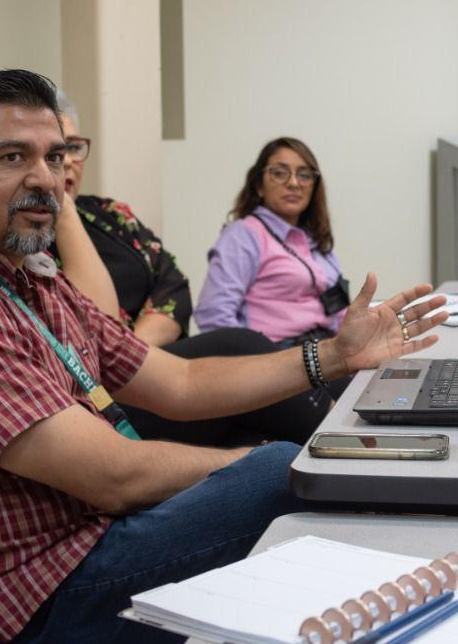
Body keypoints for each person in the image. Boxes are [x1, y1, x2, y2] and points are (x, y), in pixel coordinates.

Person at [0, 69, 445, 644]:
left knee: (275, 462)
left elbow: (180, 381)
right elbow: (115, 477)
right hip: (34, 606)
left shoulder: (29, 277)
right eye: (13, 157)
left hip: (87, 543)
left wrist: (335, 355)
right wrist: (252, 465)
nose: (44, 179)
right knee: (278, 469)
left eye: (55, 156)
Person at [48, 93, 330, 445]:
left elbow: (174, 287)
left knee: (270, 424)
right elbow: (92, 328)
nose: (66, 163)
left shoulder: (109, 214)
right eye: (53, 154)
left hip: (155, 366)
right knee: (238, 346)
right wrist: (64, 210)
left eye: (72, 148)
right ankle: (342, 442)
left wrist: (132, 351)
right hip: (102, 395)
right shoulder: (30, 240)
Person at [195, 137, 349, 345]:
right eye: (279, 173)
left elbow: (340, 314)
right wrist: (258, 365)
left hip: (328, 351)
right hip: (278, 357)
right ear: (259, 185)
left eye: (304, 175)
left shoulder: (318, 242)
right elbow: (214, 315)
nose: (294, 183)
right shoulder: (244, 235)